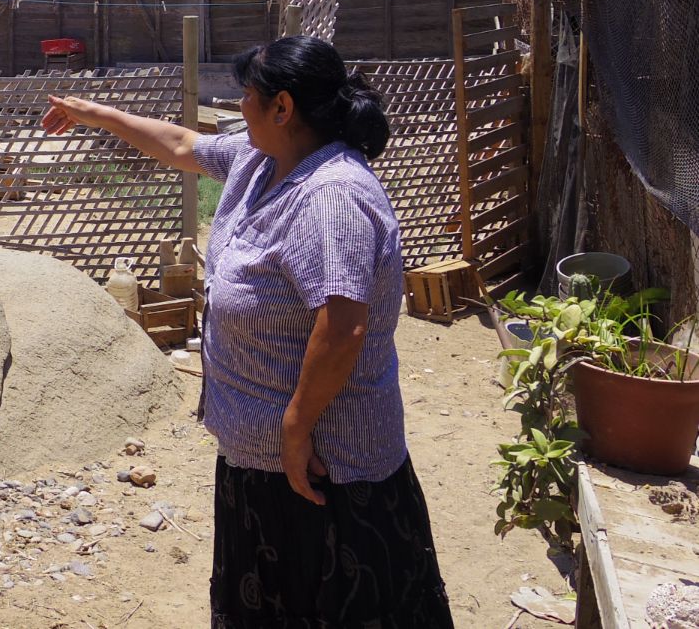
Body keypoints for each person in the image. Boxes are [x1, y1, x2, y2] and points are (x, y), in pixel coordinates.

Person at [41, 35, 452, 628]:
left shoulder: (333, 196)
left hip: (324, 473)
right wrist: (94, 114)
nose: (239, 109)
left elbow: (343, 328)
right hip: (262, 463)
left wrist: (295, 427)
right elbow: (183, 143)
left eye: (248, 98)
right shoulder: (261, 161)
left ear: (282, 108)